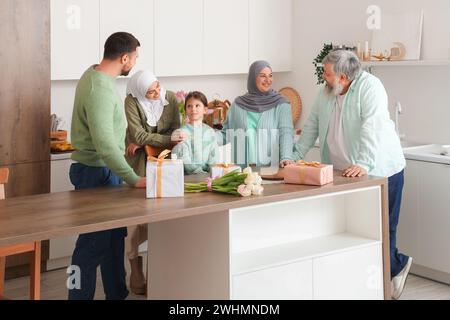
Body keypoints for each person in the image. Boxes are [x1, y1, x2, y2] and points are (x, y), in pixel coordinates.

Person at [291, 49, 412, 299]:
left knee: (382, 229)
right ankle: (372, 278)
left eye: (327, 73)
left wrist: (364, 163)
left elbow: (372, 126)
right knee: (352, 229)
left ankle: (392, 271)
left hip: (380, 170)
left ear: (344, 77)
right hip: (342, 173)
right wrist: (294, 157)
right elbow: (312, 125)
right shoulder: (325, 92)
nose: (323, 77)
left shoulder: (371, 87)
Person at [68, 32, 146, 300]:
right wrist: (133, 178)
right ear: (125, 57)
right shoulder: (99, 87)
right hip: (95, 173)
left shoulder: (96, 76)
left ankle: (117, 295)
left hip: (104, 171)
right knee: (91, 246)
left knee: (113, 241)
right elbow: (103, 144)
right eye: (134, 58)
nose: (134, 63)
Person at [123, 69, 184, 295]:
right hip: (137, 159)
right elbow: (137, 135)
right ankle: (135, 267)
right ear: (140, 91)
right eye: (150, 91)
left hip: (165, 158)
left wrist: (154, 141)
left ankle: (157, 271)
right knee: (135, 217)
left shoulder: (169, 98)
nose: (156, 92)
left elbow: (177, 128)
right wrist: (166, 139)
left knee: (161, 217)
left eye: (157, 86)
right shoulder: (131, 101)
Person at [221, 60, 294, 168]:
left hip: (271, 171)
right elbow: (226, 133)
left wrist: (286, 157)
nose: (268, 80)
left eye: (270, 76)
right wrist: (204, 135)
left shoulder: (281, 104)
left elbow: (286, 133)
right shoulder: (237, 105)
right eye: (262, 76)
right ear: (253, 78)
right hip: (243, 171)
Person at [172, 91, 219, 174]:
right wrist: (200, 173)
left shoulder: (210, 131)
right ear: (185, 110)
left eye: (197, 105)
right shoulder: (182, 132)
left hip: (208, 176)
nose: (193, 109)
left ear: (205, 110)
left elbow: (214, 156)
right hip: (190, 177)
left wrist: (212, 172)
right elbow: (185, 159)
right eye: (189, 106)